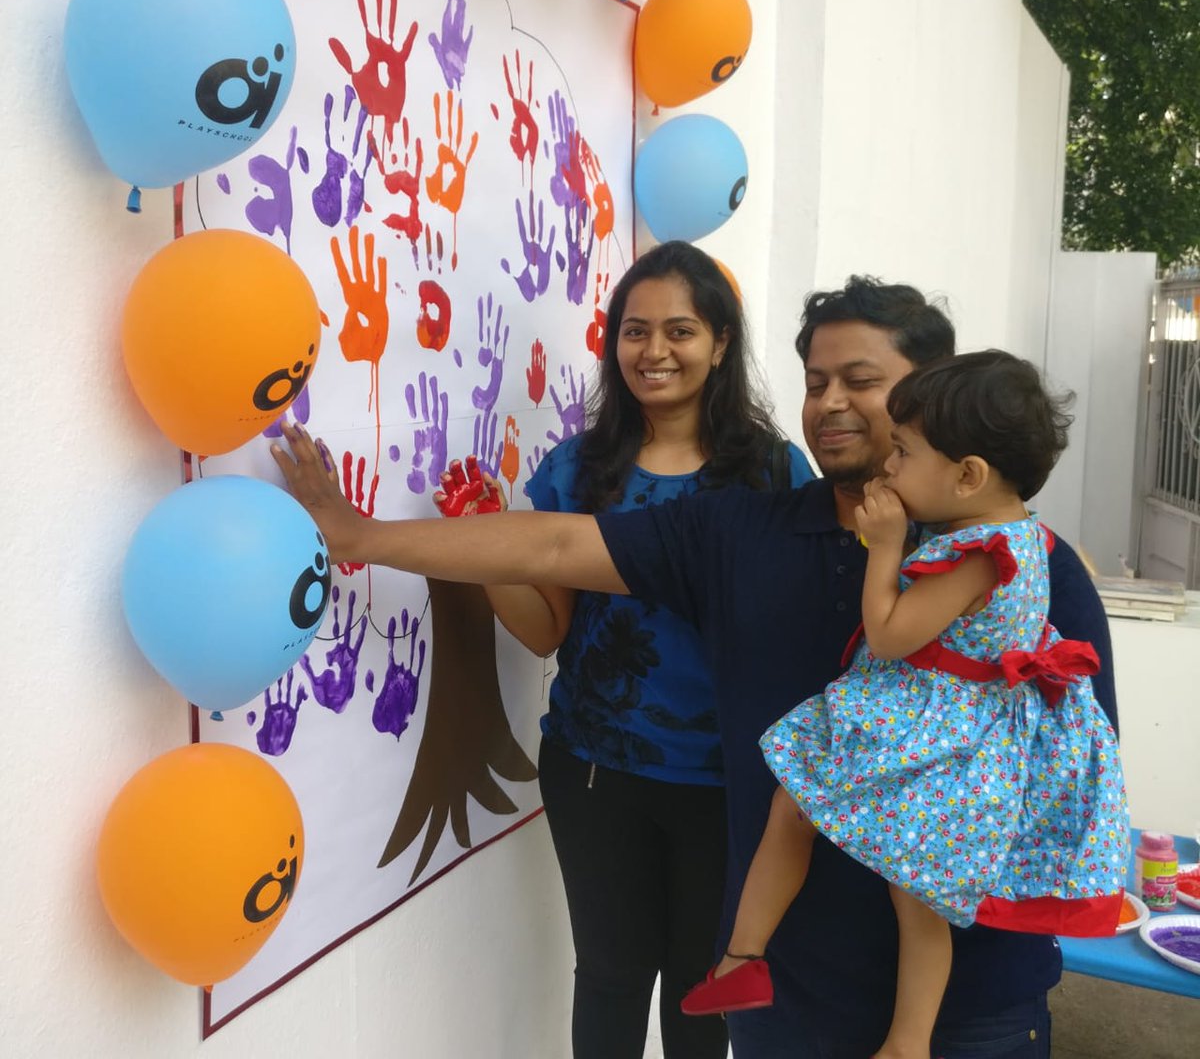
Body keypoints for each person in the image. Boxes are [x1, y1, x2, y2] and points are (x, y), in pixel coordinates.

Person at [271, 276, 1119, 1058]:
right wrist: (362, 537)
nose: (829, 403)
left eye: (861, 381)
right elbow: (558, 542)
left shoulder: (1025, 571)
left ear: (933, 395)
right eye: (815, 380)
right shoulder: (739, 531)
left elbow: (1071, 774)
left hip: (968, 1012)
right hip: (788, 1000)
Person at [677, 350, 1128, 1059]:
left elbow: (889, 636)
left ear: (968, 475)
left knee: (891, 882)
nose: (886, 467)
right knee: (836, 840)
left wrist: (884, 548)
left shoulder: (981, 555)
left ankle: (869, 1020)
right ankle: (748, 965)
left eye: (903, 454)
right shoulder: (1020, 537)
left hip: (932, 737)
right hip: (949, 730)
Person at [427, 242, 812, 1059]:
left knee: (699, 988)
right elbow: (546, 630)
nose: (656, 351)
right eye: (635, 331)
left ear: (720, 343)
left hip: (727, 779)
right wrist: (484, 546)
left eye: (681, 330)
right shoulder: (578, 467)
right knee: (608, 975)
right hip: (595, 769)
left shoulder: (775, 473)